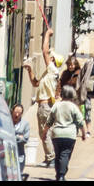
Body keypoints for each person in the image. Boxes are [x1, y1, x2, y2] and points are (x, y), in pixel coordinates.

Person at [22, 25, 63, 167]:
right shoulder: (48, 74)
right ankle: (50, 157)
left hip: (45, 106)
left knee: (45, 134)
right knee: (46, 133)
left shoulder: (53, 70)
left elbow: (44, 50)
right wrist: (30, 70)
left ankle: (51, 158)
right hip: (45, 106)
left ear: (52, 60)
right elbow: (35, 83)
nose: (47, 56)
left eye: (49, 56)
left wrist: (47, 34)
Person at [47, 84, 87, 180]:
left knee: (58, 154)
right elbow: (81, 121)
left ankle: (59, 174)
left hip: (56, 134)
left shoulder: (56, 105)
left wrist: (45, 132)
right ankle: (61, 175)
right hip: (69, 135)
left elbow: (49, 121)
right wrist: (84, 134)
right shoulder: (73, 107)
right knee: (65, 154)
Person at [11, 103, 30, 180]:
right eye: (15, 112)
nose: (17, 114)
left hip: (19, 154)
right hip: (8, 153)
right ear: (12, 112)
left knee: (19, 173)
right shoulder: (7, 121)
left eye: (19, 113)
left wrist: (13, 136)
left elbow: (25, 138)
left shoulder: (25, 124)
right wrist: (19, 136)